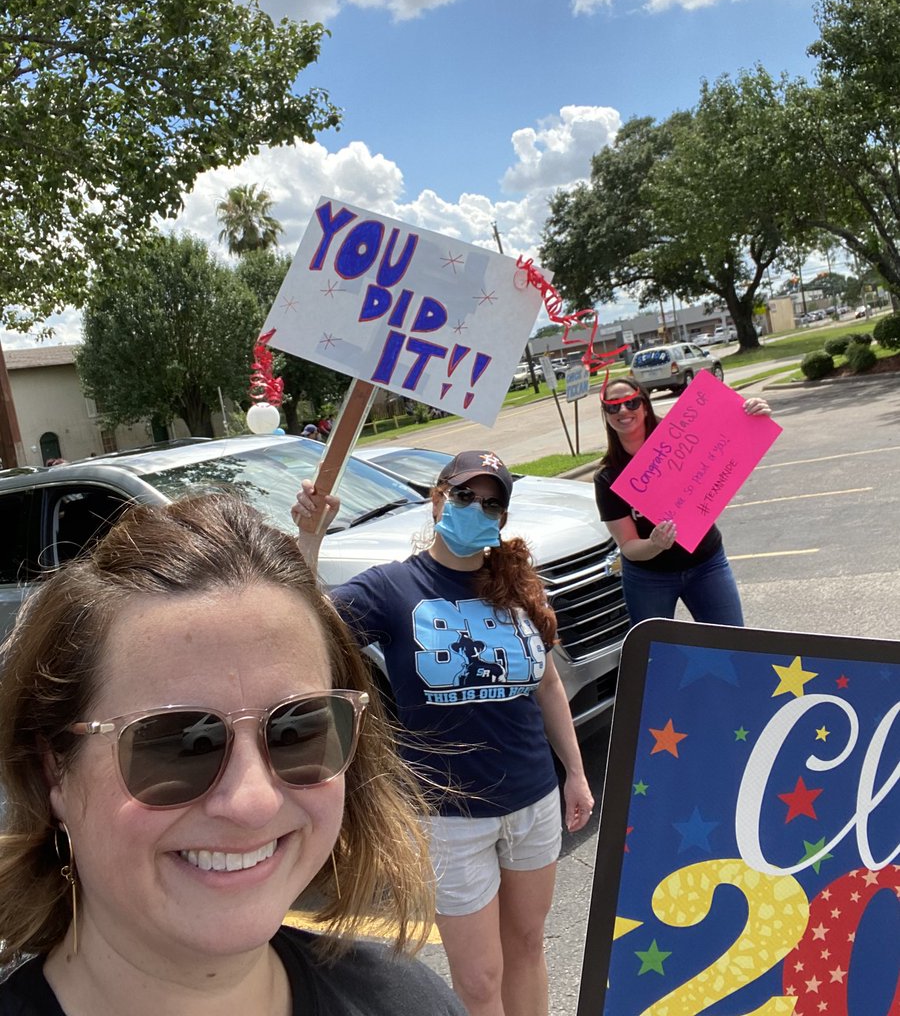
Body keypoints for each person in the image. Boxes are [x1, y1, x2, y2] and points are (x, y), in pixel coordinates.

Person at [0, 493, 465, 1016]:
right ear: (53, 770)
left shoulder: (409, 1002)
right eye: (178, 744)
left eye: (298, 730)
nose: (253, 803)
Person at [292, 451, 594, 1016]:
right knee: (479, 981)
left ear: (502, 519)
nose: (476, 510)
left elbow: (548, 685)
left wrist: (574, 774)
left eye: (491, 503)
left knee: (527, 947)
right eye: (464, 497)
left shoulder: (518, 586)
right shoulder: (392, 587)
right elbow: (304, 627)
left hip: (533, 801)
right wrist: (309, 538)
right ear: (436, 498)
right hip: (450, 818)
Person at [594, 375, 771, 627]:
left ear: (644, 405)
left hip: (705, 563)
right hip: (649, 576)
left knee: (732, 644)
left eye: (630, 403)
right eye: (613, 406)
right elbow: (629, 546)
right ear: (607, 415)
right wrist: (655, 545)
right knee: (656, 654)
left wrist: (750, 412)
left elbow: (726, 432)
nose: (622, 410)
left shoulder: (682, 438)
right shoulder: (608, 477)